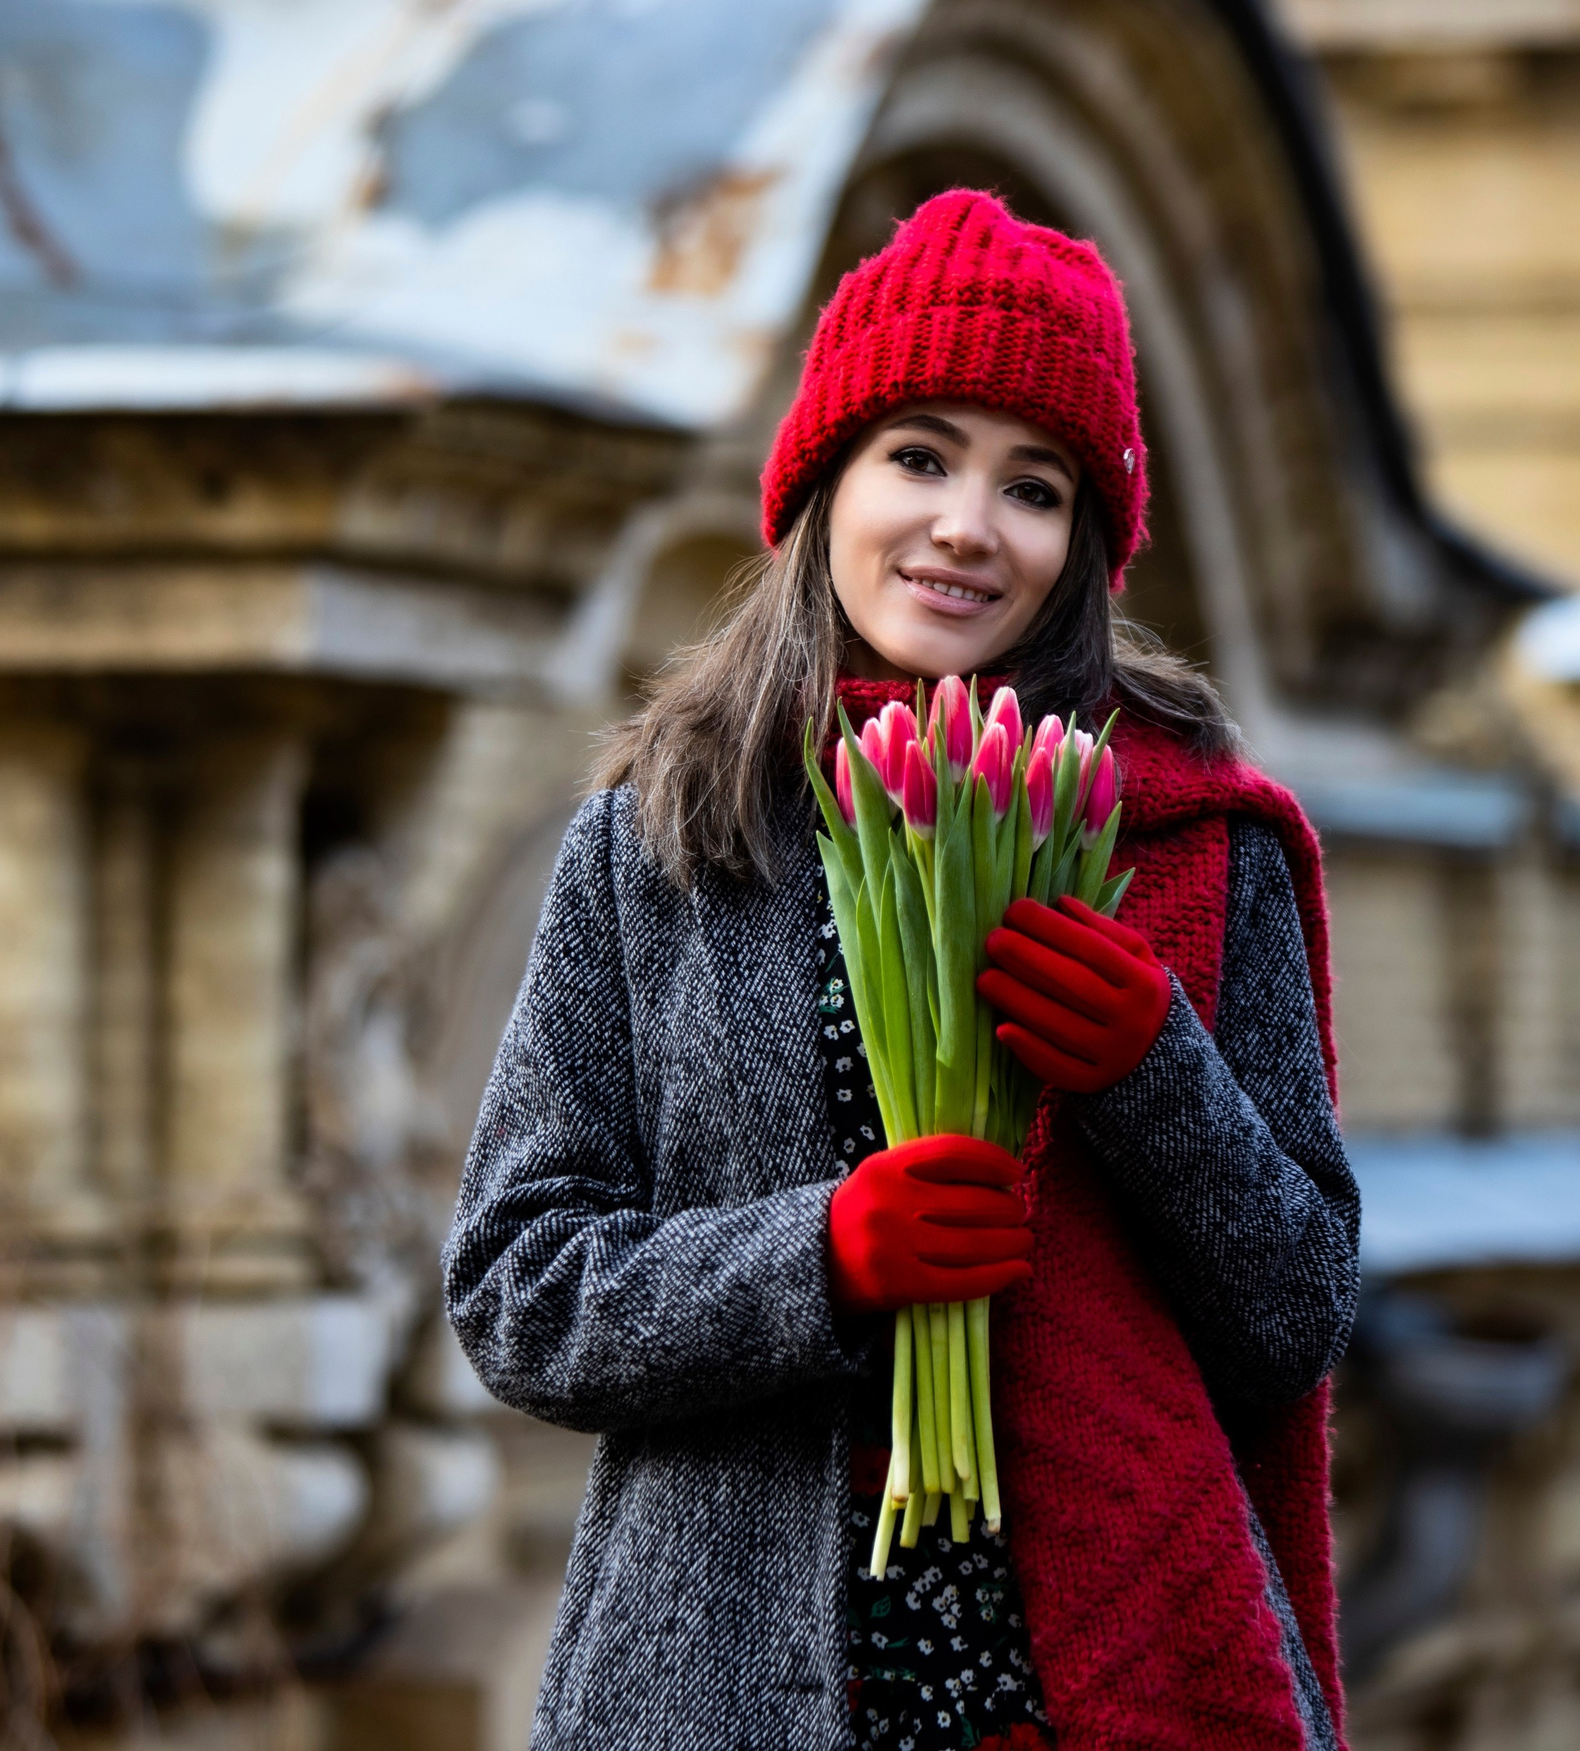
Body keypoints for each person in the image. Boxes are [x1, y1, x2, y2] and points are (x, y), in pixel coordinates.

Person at [443, 189, 1359, 1750]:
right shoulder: (662, 837)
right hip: (717, 1693)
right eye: (918, 456)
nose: (965, 524)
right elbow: (516, 1289)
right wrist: (820, 1258)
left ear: (1083, 545)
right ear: (824, 486)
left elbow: (1298, 1311)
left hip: (1096, 1682)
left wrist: (1157, 1074)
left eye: (1035, 485)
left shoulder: (1204, 844)